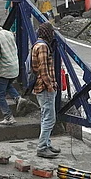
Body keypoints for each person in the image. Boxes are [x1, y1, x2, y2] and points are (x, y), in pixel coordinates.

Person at [32, 22, 61, 158]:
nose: (53, 34)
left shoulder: (37, 44)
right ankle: (42, 147)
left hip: (40, 86)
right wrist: (50, 85)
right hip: (44, 87)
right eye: (52, 32)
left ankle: (47, 143)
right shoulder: (43, 47)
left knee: (45, 116)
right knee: (50, 118)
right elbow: (43, 69)